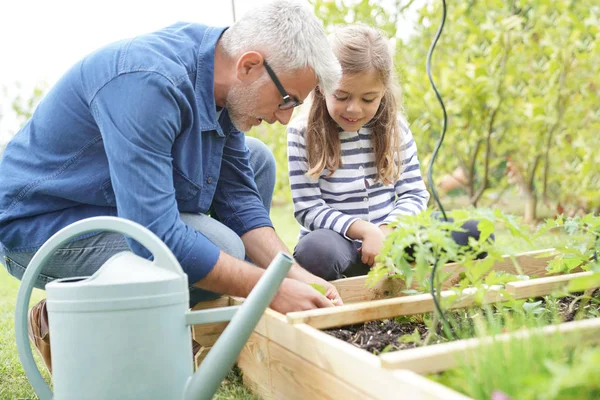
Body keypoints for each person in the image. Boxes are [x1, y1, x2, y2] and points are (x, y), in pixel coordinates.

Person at [0, 0, 344, 373]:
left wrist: (294, 275)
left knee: (257, 160)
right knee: (224, 247)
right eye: (287, 99)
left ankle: (192, 326)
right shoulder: (149, 82)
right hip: (39, 224)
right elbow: (155, 234)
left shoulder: (222, 78)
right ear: (248, 65)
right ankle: (66, 315)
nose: (285, 117)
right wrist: (270, 290)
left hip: (115, 204)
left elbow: (240, 201)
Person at [287, 25, 485, 281]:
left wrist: (385, 233)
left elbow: (413, 193)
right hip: (342, 245)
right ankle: (363, 272)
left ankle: (397, 263)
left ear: (383, 92)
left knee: (475, 230)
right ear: (322, 85)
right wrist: (365, 232)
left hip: (395, 237)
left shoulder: (395, 128)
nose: (354, 109)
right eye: (342, 96)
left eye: (368, 99)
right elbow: (309, 209)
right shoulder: (302, 133)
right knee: (313, 252)